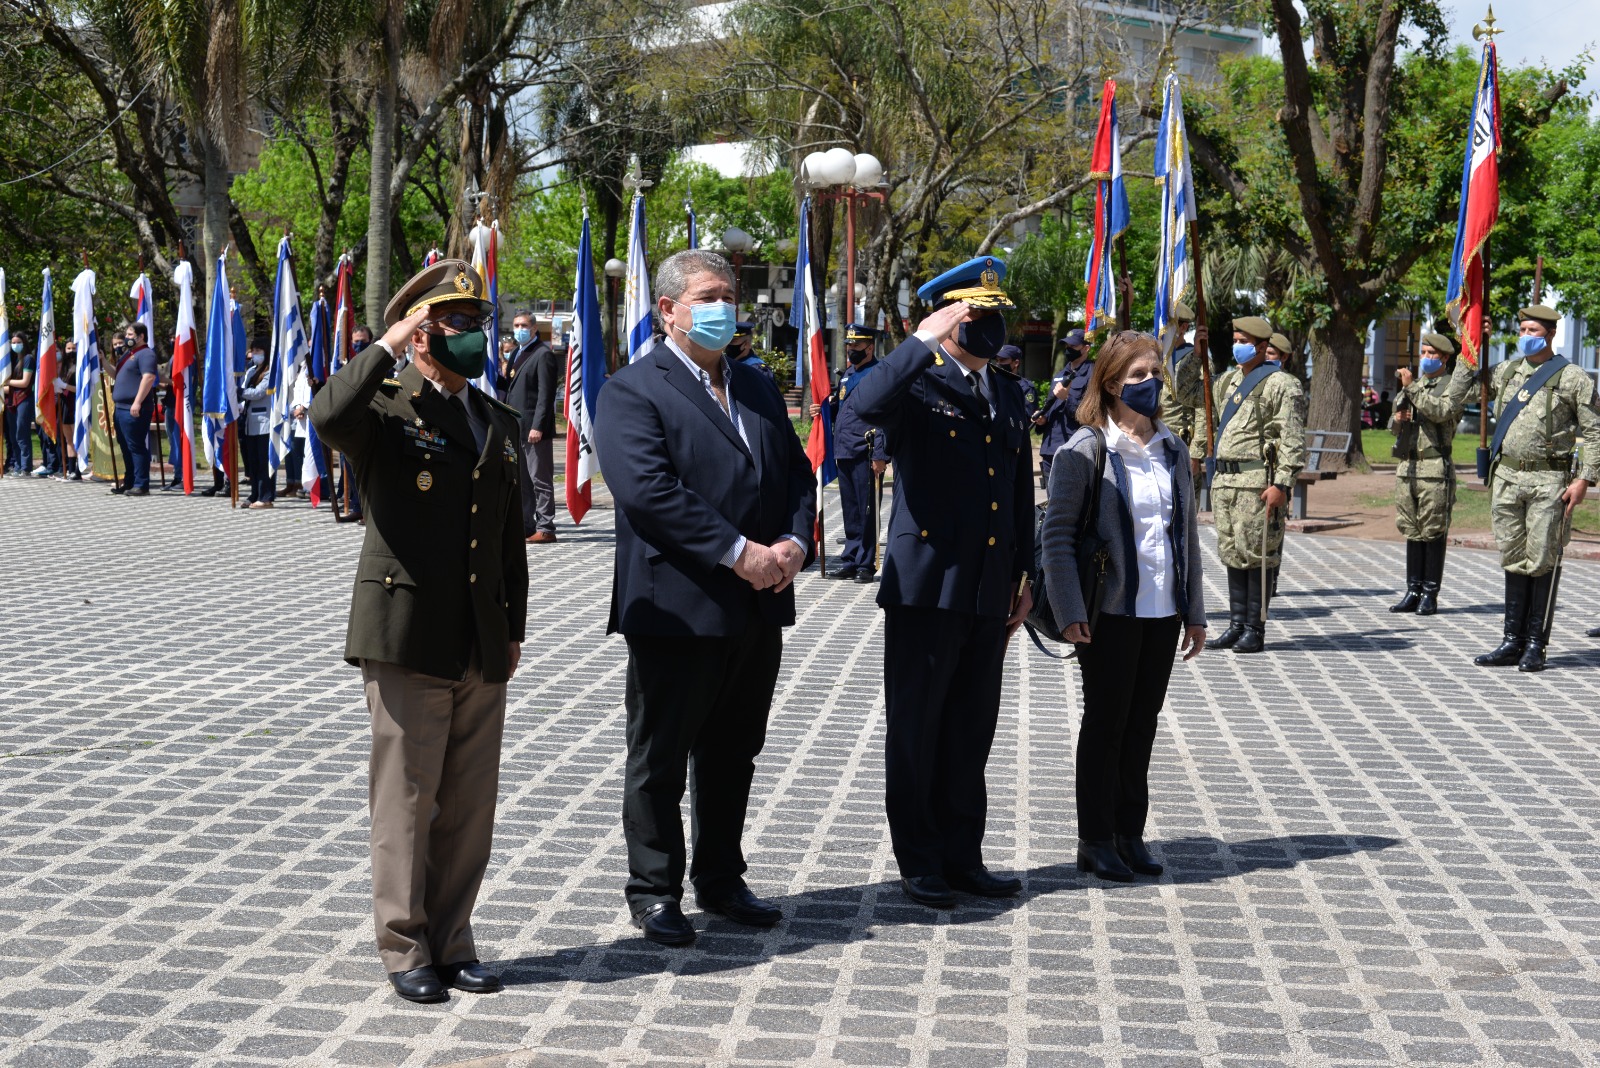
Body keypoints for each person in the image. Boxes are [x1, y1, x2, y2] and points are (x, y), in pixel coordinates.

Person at [310, 257, 526, 1004]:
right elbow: (326, 415)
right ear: (427, 333)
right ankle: (404, 947)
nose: (478, 338)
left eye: (482, 324)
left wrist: (512, 628)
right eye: (461, 324)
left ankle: (454, 940)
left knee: (469, 804)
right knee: (405, 799)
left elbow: (505, 539)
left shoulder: (496, 422)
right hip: (405, 633)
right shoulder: (387, 411)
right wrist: (389, 343)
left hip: (477, 636)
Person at [594, 249, 816, 947]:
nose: (726, 306)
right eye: (710, 295)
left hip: (756, 605)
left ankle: (721, 878)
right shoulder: (633, 389)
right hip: (677, 605)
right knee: (661, 758)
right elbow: (649, 494)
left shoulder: (750, 384)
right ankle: (655, 890)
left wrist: (794, 545)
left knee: (733, 752)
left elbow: (797, 475)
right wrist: (739, 552)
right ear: (669, 309)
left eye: (730, 294)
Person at [847, 256, 1034, 910]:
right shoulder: (915, 385)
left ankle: (964, 855)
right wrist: (920, 341)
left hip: (988, 585)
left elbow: (1015, 489)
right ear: (945, 315)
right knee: (918, 728)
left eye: (993, 313)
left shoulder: (1007, 392)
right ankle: (920, 859)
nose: (987, 324)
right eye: (972, 314)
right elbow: (862, 406)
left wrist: (1026, 573)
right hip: (926, 586)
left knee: (970, 729)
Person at [1040, 331, 1206, 882]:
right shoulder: (1086, 449)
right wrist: (1068, 611)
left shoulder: (1173, 448)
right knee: (1106, 723)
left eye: (1155, 374)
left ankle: (1131, 833)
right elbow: (1057, 536)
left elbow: (1185, 538)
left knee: (1143, 725)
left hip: (1161, 611)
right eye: (1138, 377)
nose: (1151, 384)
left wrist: (1196, 612)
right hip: (1107, 613)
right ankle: (1095, 839)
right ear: (1111, 384)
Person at [1450, 305, 1600, 672]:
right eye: (1521, 328)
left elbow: (1595, 432)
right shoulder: (1507, 370)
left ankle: (1536, 644)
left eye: (1531, 328)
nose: (1523, 334)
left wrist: (1585, 479)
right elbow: (1458, 394)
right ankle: (1511, 641)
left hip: (1550, 482)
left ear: (1549, 334)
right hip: (1507, 480)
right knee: (1514, 558)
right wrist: (1470, 346)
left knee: (1542, 560)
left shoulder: (1572, 377)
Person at [1207, 316, 1305, 654]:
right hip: (1226, 482)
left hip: (1257, 483)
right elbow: (1193, 397)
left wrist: (1282, 483)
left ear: (1263, 347)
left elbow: (1292, 439)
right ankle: (1236, 624)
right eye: (1234, 339)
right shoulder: (1228, 381)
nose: (1237, 345)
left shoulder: (1281, 384)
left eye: (1243, 340)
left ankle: (1254, 627)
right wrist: (1195, 350)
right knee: (1233, 553)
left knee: (1257, 554)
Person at [1389, 333, 1465, 616]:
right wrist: (1397, 420)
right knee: (1412, 529)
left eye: (1432, 353)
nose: (1426, 358)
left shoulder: (1452, 386)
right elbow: (1392, 425)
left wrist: (1412, 390)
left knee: (1433, 531)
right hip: (1408, 466)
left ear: (1445, 358)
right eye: (1423, 352)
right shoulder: (1414, 386)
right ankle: (1412, 589)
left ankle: (1430, 593)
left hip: (1434, 468)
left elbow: (1441, 412)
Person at [814, 323, 889, 581]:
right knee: (850, 511)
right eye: (849, 345)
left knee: (867, 510)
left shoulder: (879, 373)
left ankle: (866, 564)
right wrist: (824, 411)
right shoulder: (848, 374)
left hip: (865, 452)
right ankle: (851, 558)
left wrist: (880, 454)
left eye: (856, 345)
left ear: (869, 347)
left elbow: (884, 417)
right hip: (845, 449)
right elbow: (844, 407)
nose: (851, 349)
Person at [503, 312, 558, 543]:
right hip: (517, 426)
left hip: (535, 429)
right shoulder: (516, 352)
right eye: (516, 325)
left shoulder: (543, 354)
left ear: (534, 329)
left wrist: (538, 426)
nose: (519, 329)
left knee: (539, 480)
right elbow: (510, 387)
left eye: (524, 325)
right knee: (523, 481)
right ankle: (527, 525)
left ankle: (546, 527)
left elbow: (546, 395)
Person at [1036, 329, 1091, 488]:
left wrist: (1067, 398)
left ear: (1086, 348)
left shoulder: (1092, 374)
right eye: (1066, 345)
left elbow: (1091, 414)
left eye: (1073, 346)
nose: (1068, 350)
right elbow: (1051, 407)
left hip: (1074, 448)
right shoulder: (1060, 375)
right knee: (1051, 504)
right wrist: (1042, 419)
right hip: (1050, 448)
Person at [110, 323, 159, 496]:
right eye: (127, 334)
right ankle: (129, 482)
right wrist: (102, 361)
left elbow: (149, 377)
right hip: (121, 408)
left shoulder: (146, 354)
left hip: (134, 409)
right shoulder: (128, 354)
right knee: (125, 447)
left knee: (136, 446)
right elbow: (116, 374)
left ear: (141, 337)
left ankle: (141, 484)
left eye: (131, 335)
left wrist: (137, 402)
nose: (127, 338)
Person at [1158, 303, 1208, 478]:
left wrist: (1196, 452)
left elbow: (1204, 407)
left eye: (1168, 324)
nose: (1162, 329)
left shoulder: (1194, 359)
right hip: (1154, 439)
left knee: (1183, 502)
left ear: (1183, 327)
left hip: (1181, 442)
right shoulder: (1156, 359)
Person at [239, 341, 275, 509]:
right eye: (253, 350)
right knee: (252, 462)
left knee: (263, 461)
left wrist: (239, 392)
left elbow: (260, 393)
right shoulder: (252, 371)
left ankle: (266, 496)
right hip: (249, 423)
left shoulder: (270, 371)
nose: (254, 354)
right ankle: (255, 494)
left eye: (258, 350)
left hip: (264, 422)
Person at [4, 331, 35, 476]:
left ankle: (26, 467)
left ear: (24, 343)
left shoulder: (28, 358)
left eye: (18, 342)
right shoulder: (11, 360)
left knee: (22, 433)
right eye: (13, 342)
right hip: (11, 400)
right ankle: (17, 465)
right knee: (12, 434)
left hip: (24, 399)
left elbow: (25, 382)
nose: (16, 345)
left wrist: (6, 382)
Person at [994, 343, 1037, 422]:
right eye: (997, 360)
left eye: (1003, 360)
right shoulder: (992, 382)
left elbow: (1028, 416)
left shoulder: (1025, 387)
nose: (998, 364)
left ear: (1016, 363)